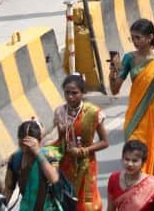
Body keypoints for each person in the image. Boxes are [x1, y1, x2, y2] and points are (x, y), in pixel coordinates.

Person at [110, 19, 154, 173]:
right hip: (135, 115)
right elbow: (115, 90)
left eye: (138, 37)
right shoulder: (129, 59)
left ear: (150, 37)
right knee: (134, 153)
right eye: (132, 38)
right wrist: (113, 72)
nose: (134, 41)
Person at [48, 73, 107, 208]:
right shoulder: (60, 113)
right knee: (69, 201)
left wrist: (82, 151)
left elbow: (105, 142)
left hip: (87, 164)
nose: (70, 97)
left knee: (87, 203)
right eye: (67, 93)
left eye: (74, 93)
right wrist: (60, 136)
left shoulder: (93, 112)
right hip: (66, 165)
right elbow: (61, 142)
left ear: (83, 93)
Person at [2, 121, 63, 211]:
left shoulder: (49, 156)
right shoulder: (15, 159)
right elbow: (8, 189)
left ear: (39, 141)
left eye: (30, 146)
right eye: (23, 145)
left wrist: (37, 152)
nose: (26, 149)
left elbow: (54, 179)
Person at [104, 139, 154, 211]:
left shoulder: (153, 186)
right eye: (127, 159)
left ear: (143, 163)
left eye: (135, 161)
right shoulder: (114, 179)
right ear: (122, 159)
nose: (130, 164)